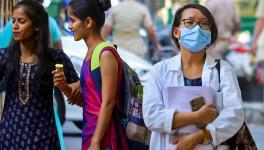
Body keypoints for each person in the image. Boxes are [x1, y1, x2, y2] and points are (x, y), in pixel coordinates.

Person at [143, 3, 244, 150]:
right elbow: (151, 117)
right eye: (189, 22)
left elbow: (235, 113)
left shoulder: (223, 70)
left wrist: (201, 136)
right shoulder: (159, 71)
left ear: (209, 35)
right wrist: (197, 117)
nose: (197, 28)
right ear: (176, 32)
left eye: (204, 24)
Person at [0, 0, 80, 149]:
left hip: (43, 139)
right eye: (13, 21)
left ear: (36, 26)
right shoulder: (4, 57)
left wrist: (64, 87)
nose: (15, 26)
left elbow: (81, 99)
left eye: (21, 21)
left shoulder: (55, 58)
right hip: (9, 137)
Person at [54, 0, 129, 149]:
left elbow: (108, 103)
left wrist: (96, 141)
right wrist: (63, 86)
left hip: (105, 136)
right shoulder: (90, 53)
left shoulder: (105, 54)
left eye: (73, 20)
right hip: (91, 131)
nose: (69, 26)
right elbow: (89, 102)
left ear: (88, 22)